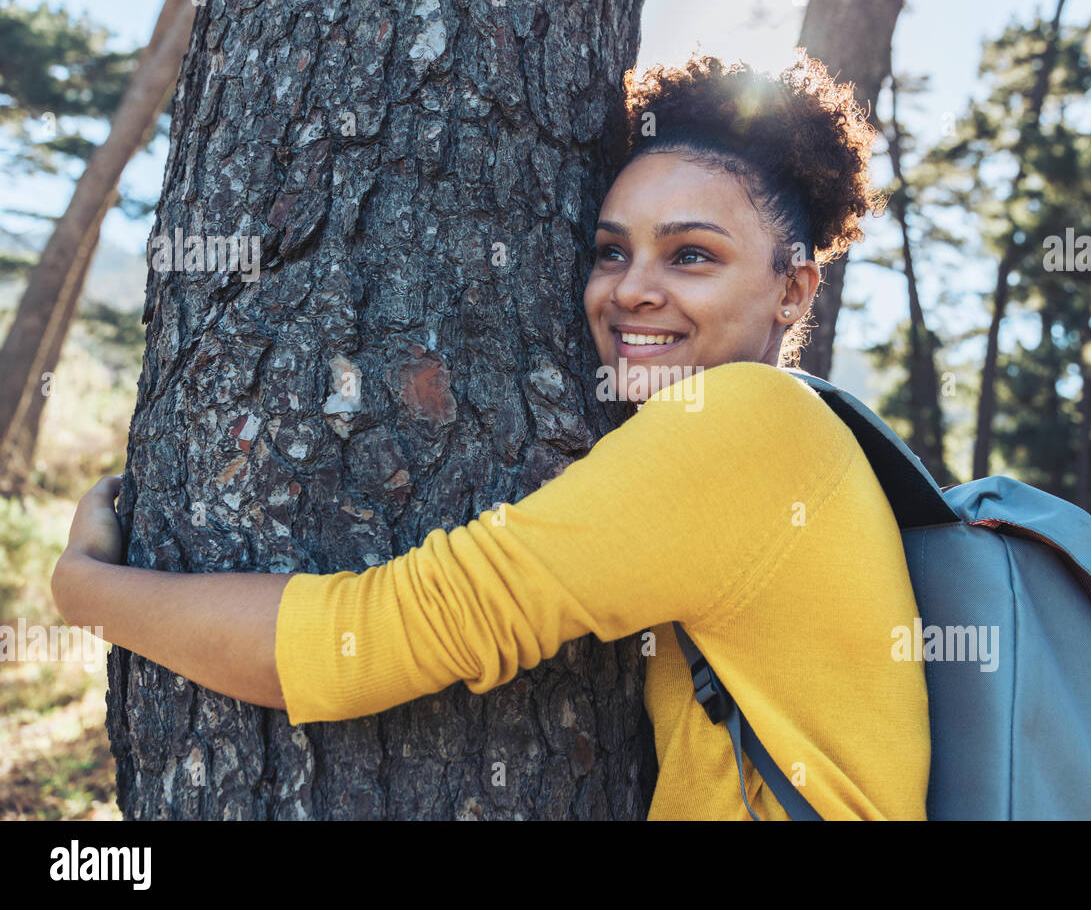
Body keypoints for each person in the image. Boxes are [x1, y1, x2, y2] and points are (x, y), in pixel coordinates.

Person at [51, 51, 930, 820]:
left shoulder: (743, 424)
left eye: (692, 255)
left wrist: (86, 590)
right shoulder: (790, 435)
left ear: (794, 291)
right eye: (610, 251)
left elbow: (373, 640)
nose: (630, 291)